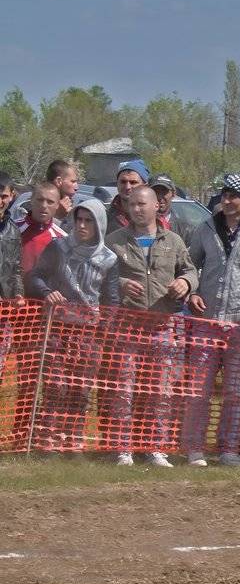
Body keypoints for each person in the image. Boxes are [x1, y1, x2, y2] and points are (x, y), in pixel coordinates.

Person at [183, 173, 240, 467]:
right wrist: (192, 293)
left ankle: (229, 448)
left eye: (232, 195)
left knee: (235, 392)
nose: (227, 200)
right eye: (224, 195)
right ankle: (194, 447)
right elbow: (189, 265)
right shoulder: (206, 227)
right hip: (207, 321)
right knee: (199, 389)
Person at [104, 185, 197, 467]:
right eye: (132, 204)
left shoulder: (174, 241)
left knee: (160, 389)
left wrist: (185, 283)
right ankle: (123, 448)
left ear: (157, 206)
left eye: (142, 204)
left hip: (163, 325)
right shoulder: (114, 241)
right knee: (124, 388)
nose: (136, 209)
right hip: (128, 325)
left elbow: (190, 270)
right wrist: (120, 283)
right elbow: (100, 275)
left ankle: (155, 447)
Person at [27, 197, 121, 454]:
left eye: (88, 221)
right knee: (56, 385)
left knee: (81, 388)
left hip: (89, 332)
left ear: (99, 224)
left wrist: (105, 331)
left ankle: (72, 438)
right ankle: (47, 439)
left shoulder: (109, 259)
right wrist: (47, 292)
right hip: (57, 328)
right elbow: (35, 276)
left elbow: (111, 299)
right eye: (79, 219)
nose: (81, 225)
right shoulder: (58, 247)